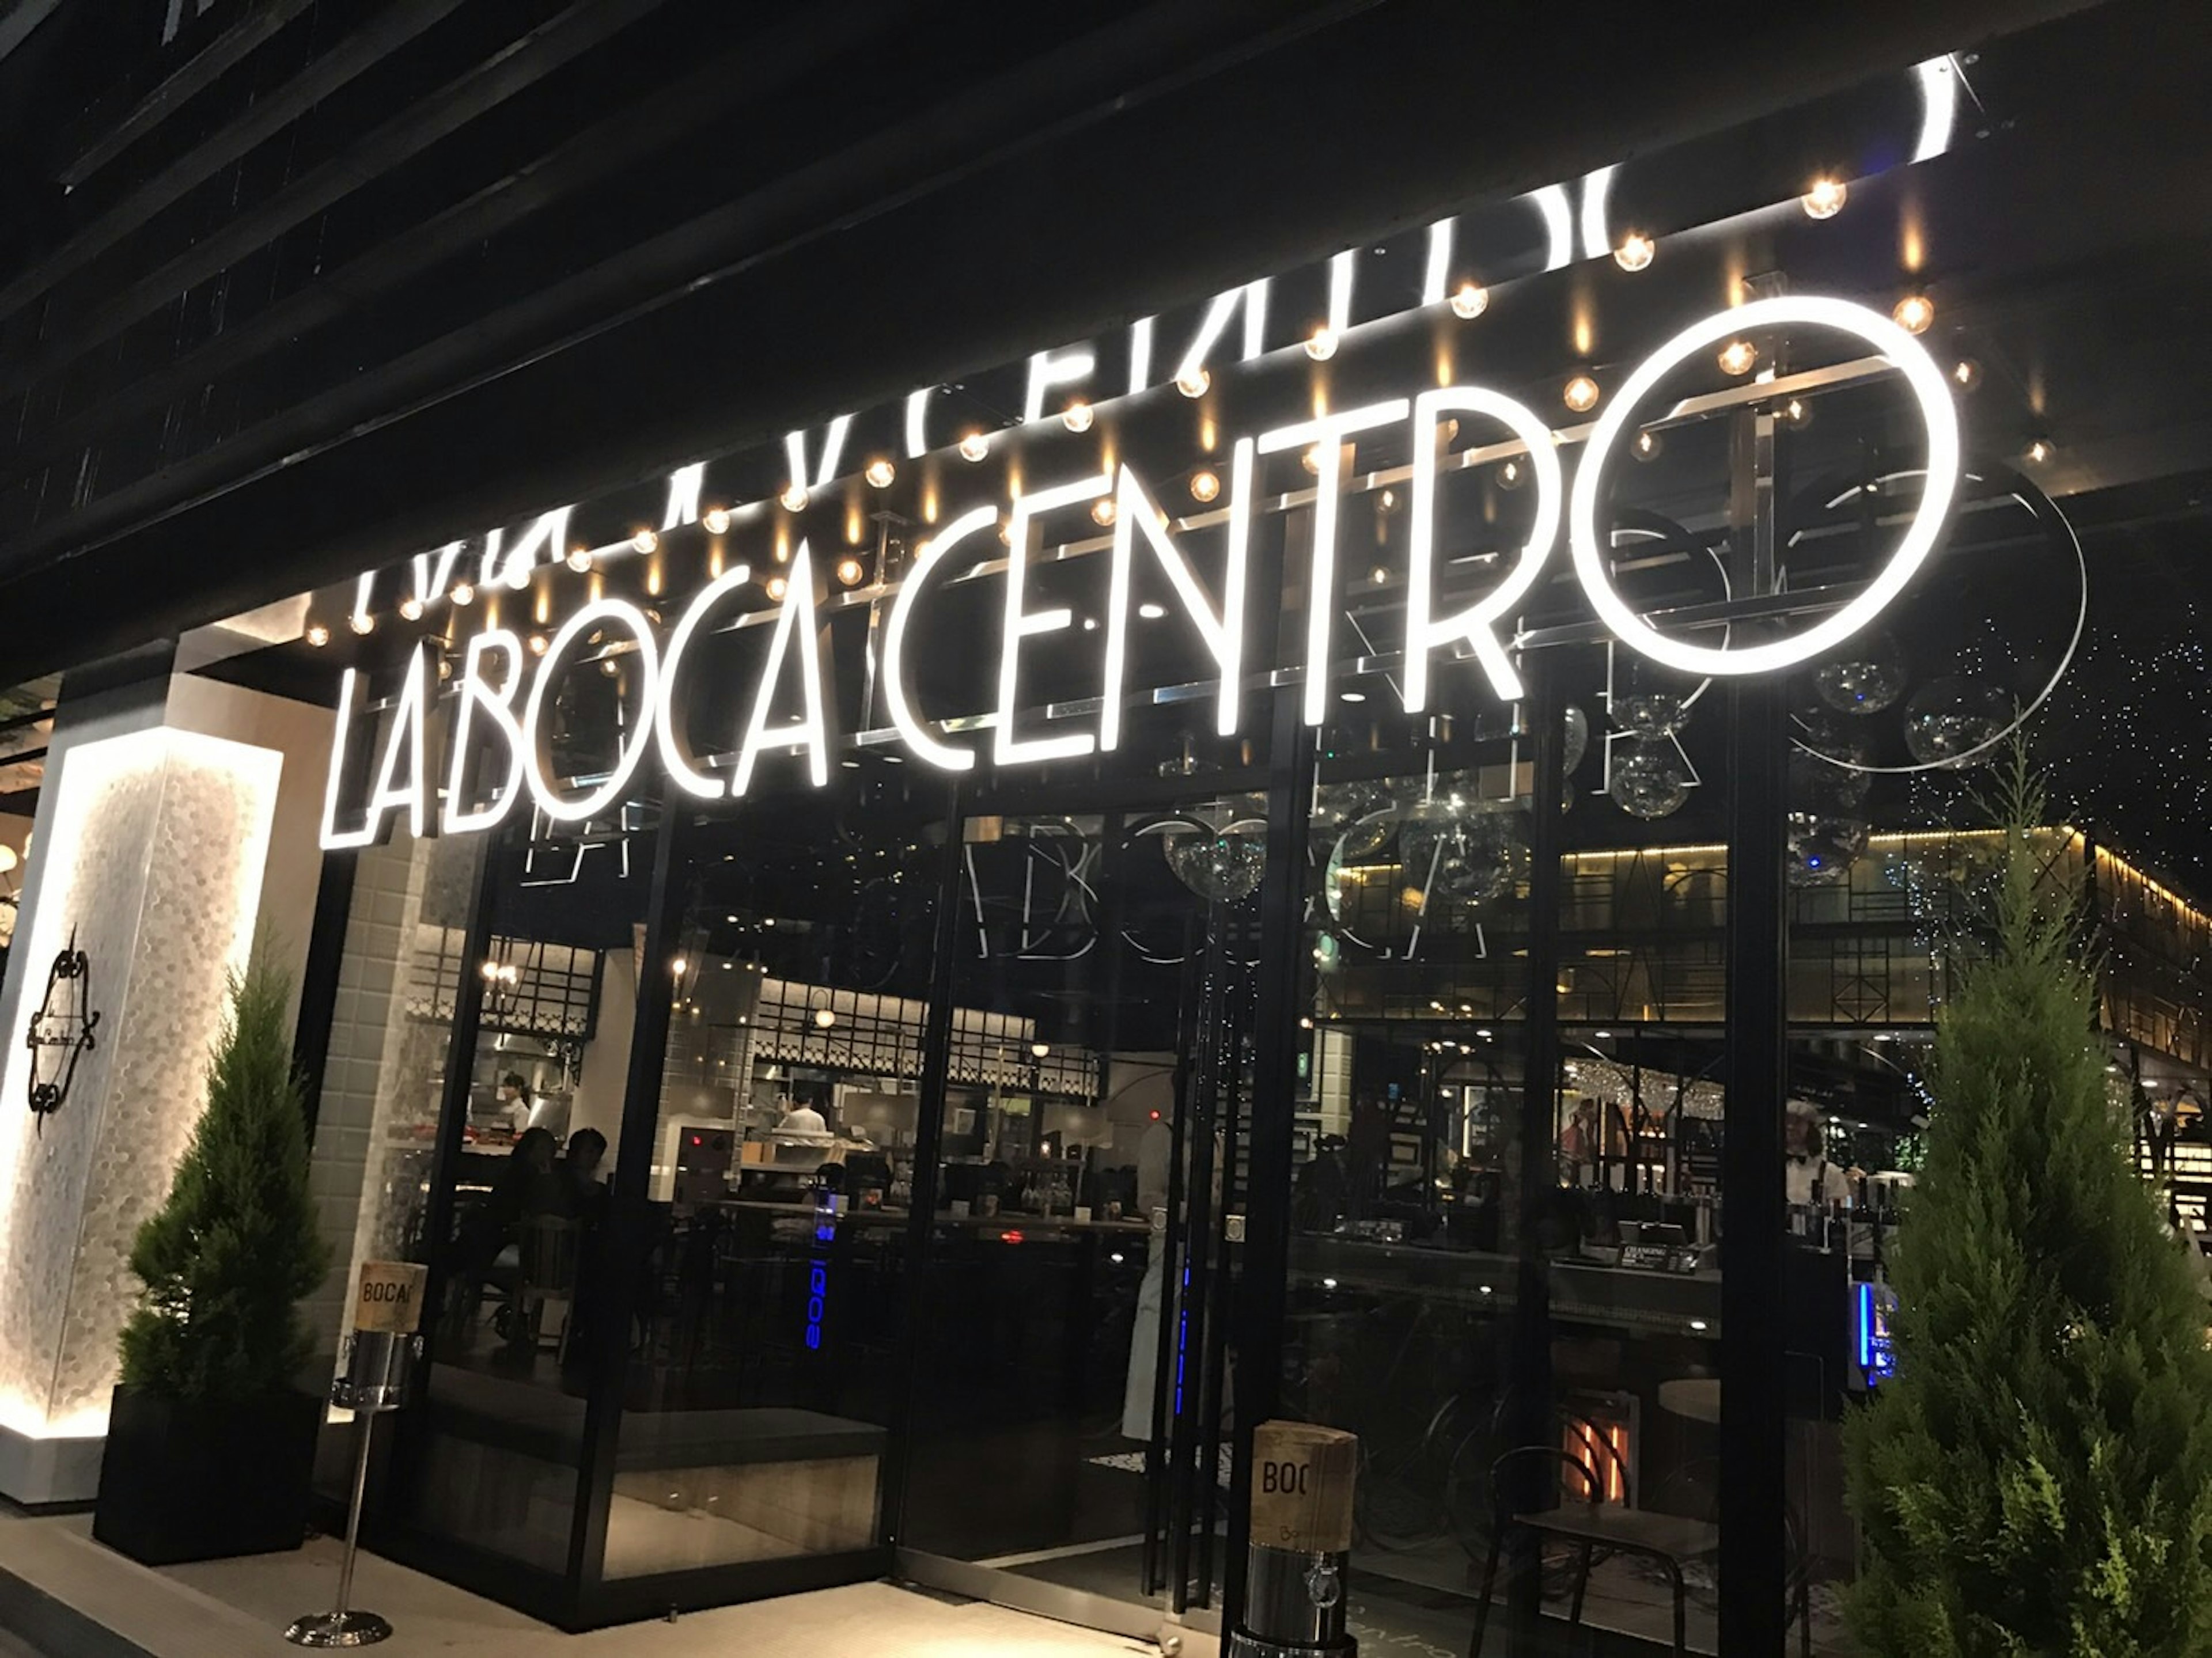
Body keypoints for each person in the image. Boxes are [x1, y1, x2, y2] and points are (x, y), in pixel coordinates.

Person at [495, 1072, 532, 1136]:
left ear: (519, 1089)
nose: (506, 1090)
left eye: (509, 1086)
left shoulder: (522, 1110)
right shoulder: (505, 1107)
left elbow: (519, 1134)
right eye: (504, 1086)